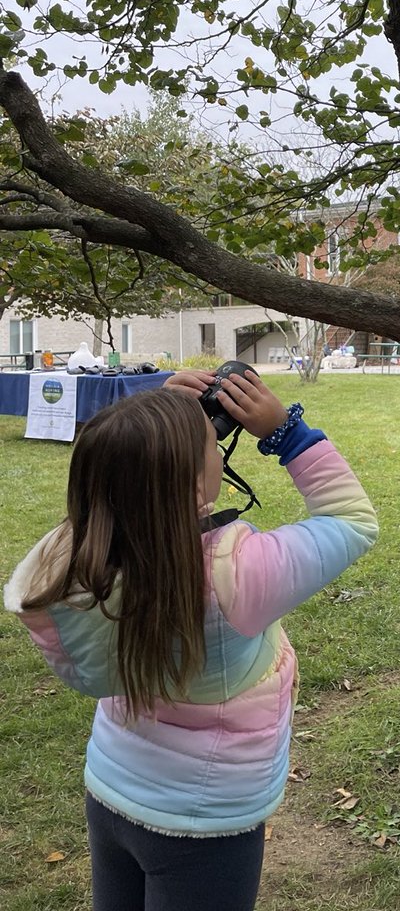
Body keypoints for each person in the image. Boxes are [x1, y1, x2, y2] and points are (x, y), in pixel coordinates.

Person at [3, 369, 378, 911]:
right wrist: (287, 434)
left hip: (112, 788)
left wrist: (146, 424)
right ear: (196, 482)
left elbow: (116, 487)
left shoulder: (80, 567)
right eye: (210, 444)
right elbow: (352, 520)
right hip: (205, 819)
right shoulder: (240, 574)